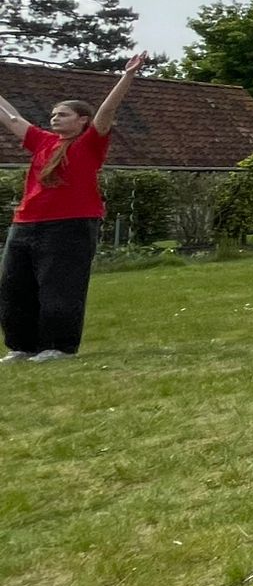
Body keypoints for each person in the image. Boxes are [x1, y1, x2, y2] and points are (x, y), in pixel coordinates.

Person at [0, 54, 145, 362]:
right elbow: (10, 117)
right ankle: (22, 347)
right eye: (53, 114)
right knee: (15, 288)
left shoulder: (91, 141)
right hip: (25, 224)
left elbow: (107, 110)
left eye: (63, 114)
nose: (55, 118)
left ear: (82, 120)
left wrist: (127, 76)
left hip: (70, 226)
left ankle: (58, 347)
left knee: (60, 287)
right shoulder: (41, 141)